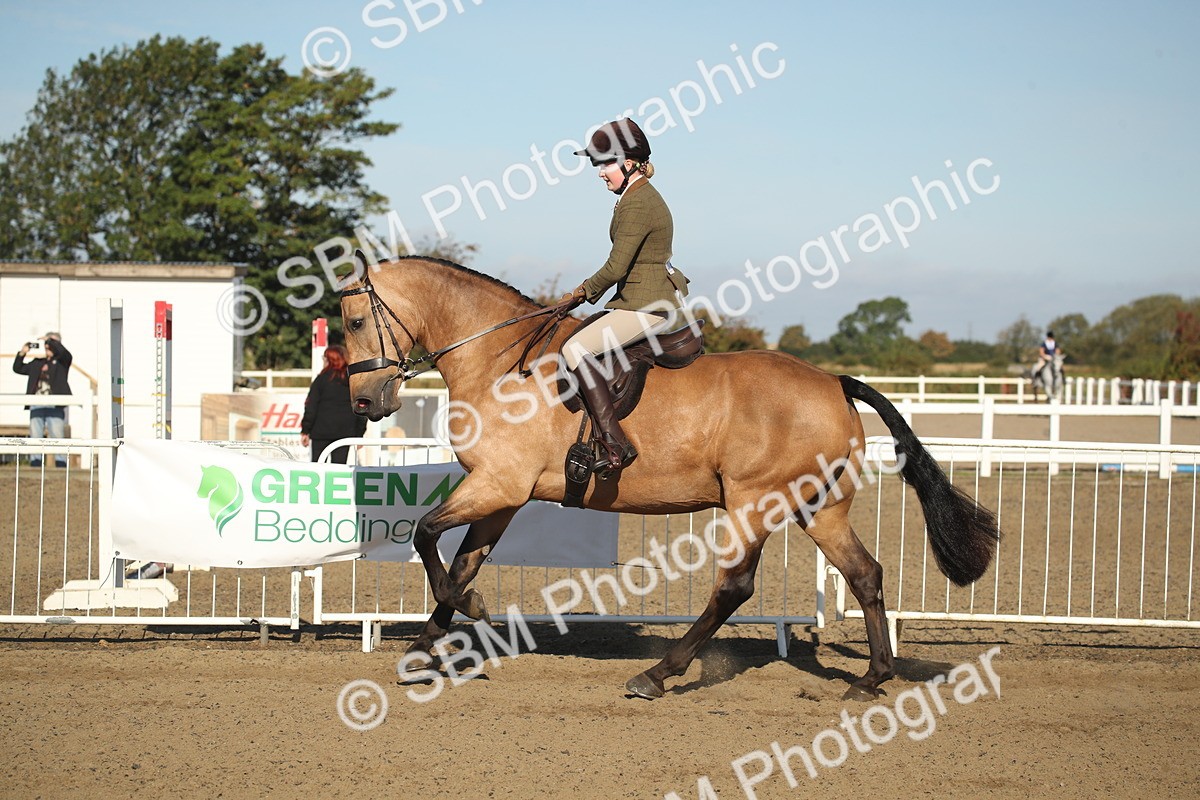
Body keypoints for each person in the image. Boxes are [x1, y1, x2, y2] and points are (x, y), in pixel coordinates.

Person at [560, 118, 690, 473]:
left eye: (605, 164)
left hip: (645, 307)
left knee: (574, 348)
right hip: (637, 302)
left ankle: (614, 443)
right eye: (597, 165)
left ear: (629, 162)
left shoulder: (638, 203)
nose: (600, 173)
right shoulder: (634, 196)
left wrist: (581, 292)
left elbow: (616, 267)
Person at [12, 332, 72, 468]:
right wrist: (22, 353)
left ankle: (61, 466)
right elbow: (18, 368)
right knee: (35, 436)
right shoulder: (37, 363)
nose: (48, 346)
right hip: (36, 404)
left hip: (55, 405)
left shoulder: (62, 363)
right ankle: (36, 464)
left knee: (57, 436)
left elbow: (63, 353)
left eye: (51, 343)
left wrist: (50, 340)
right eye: (46, 344)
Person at [301, 345, 367, 464]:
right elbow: (361, 409)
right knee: (338, 470)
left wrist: (305, 430)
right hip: (344, 433)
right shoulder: (353, 381)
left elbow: (311, 407)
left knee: (317, 468)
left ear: (329, 360)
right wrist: (359, 435)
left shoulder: (321, 380)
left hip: (320, 432)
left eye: (324, 359)